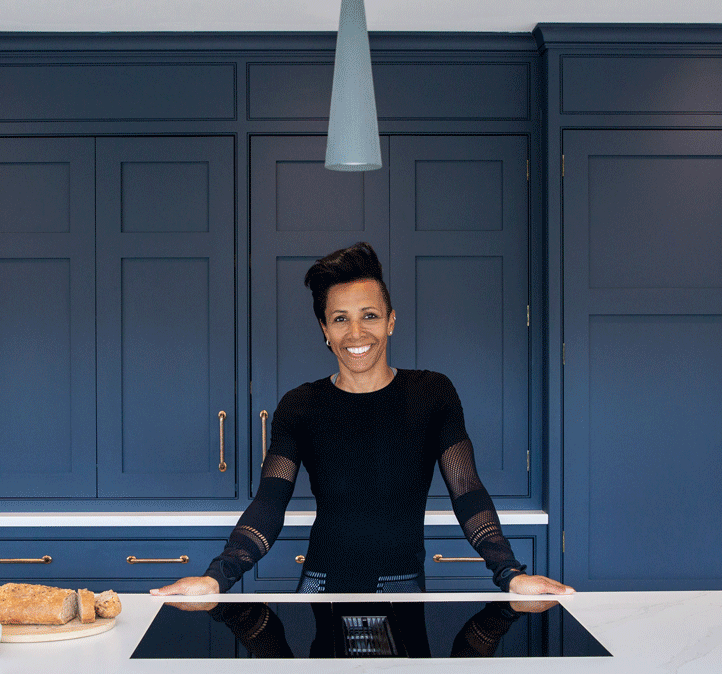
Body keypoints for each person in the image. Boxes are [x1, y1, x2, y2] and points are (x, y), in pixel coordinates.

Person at [151, 242, 573, 599]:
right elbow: (269, 503)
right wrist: (216, 577)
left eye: (369, 315)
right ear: (325, 330)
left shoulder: (432, 394)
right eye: (341, 319)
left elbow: (467, 491)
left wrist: (511, 573)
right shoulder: (299, 405)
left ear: (390, 321)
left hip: (403, 587)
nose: (356, 333)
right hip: (321, 586)